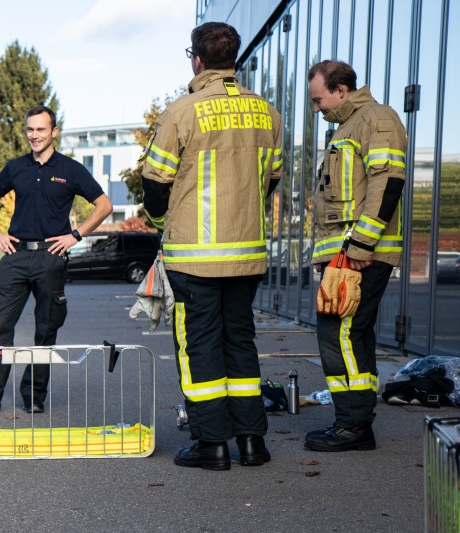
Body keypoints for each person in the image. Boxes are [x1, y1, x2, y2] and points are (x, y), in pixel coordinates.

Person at [142, 22, 282, 471]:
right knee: (239, 341)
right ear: (232, 58)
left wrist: (164, 224)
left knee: (199, 346)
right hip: (246, 256)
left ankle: (212, 443)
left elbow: (154, 183)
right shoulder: (267, 113)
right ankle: (252, 442)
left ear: (197, 59)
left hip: (194, 256)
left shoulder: (181, 111)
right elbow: (272, 180)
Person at [0, 105, 112, 415]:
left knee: (46, 331)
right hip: (16, 256)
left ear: (54, 132)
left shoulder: (71, 169)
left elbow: (104, 205)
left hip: (51, 257)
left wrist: (75, 235)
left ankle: (33, 395)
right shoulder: (16, 167)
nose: (34, 135)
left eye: (41, 129)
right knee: (0, 327)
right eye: (30, 129)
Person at [304, 60, 406, 452]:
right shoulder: (349, 126)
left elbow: (388, 181)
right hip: (349, 254)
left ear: (341, 90)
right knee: (351, 334)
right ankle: (355, 421)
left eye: (319, 100)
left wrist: (361, 245)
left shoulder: (376, 119)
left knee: (340, 334)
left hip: (360, 253)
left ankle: (353, 426)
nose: (317, 109)